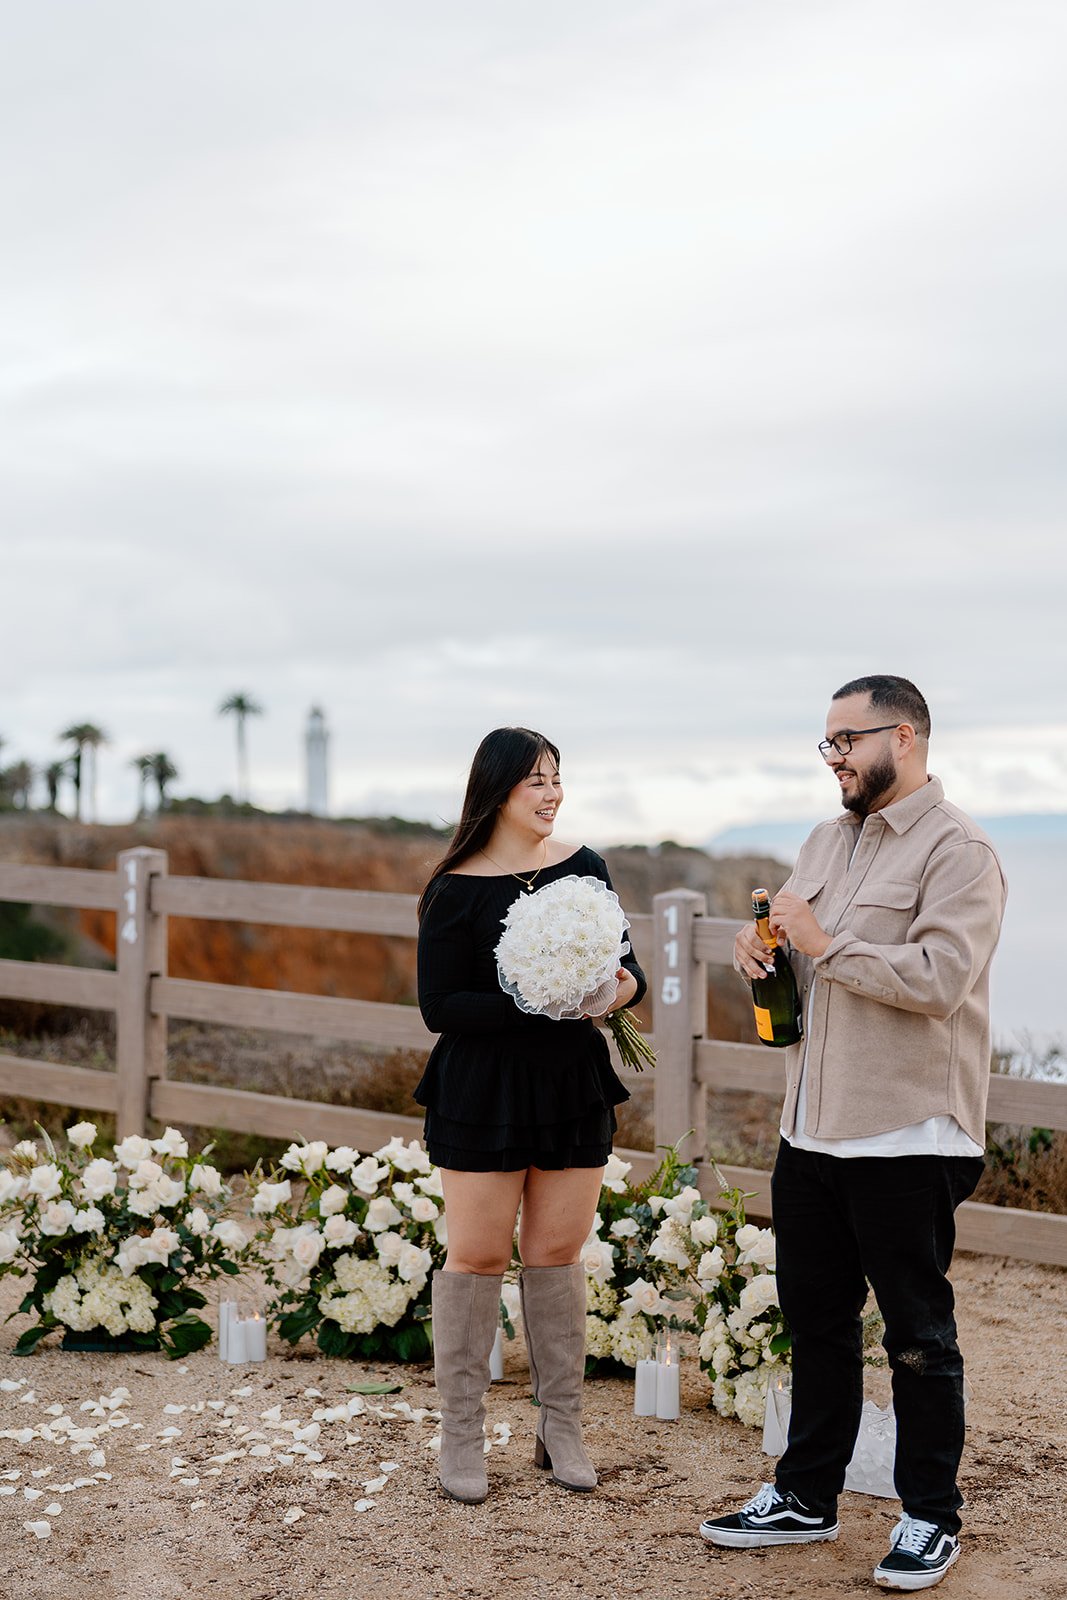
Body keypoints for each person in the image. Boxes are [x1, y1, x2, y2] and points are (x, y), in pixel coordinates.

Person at [699, 675, 1006, 1592]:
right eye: (826, 742)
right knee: (815, 1323)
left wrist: (824, 945)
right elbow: (795, 947)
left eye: (846, 739)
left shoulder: (961, 851)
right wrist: (760, 948)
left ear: (902, 737)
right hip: (810, 1130)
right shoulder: (823, 841)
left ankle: (928, 1517)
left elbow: (939, 978)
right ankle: (806, 1496)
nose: (832, 757)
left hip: (908, 1133)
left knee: (917, 1337)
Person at [415, 726, 646, 1504]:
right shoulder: (454, 888)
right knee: (478, 1255)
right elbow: (439, 1006)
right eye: (535, 781)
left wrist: (618, 991)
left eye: (556, 778)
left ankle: (562, 1429)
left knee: (555, 1251)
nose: (551, 794)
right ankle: (461, 1436)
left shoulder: (585, 869)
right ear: (497, 792)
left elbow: (628, 969)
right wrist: (538, 1000)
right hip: (482, 1091)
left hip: (570, 1085)